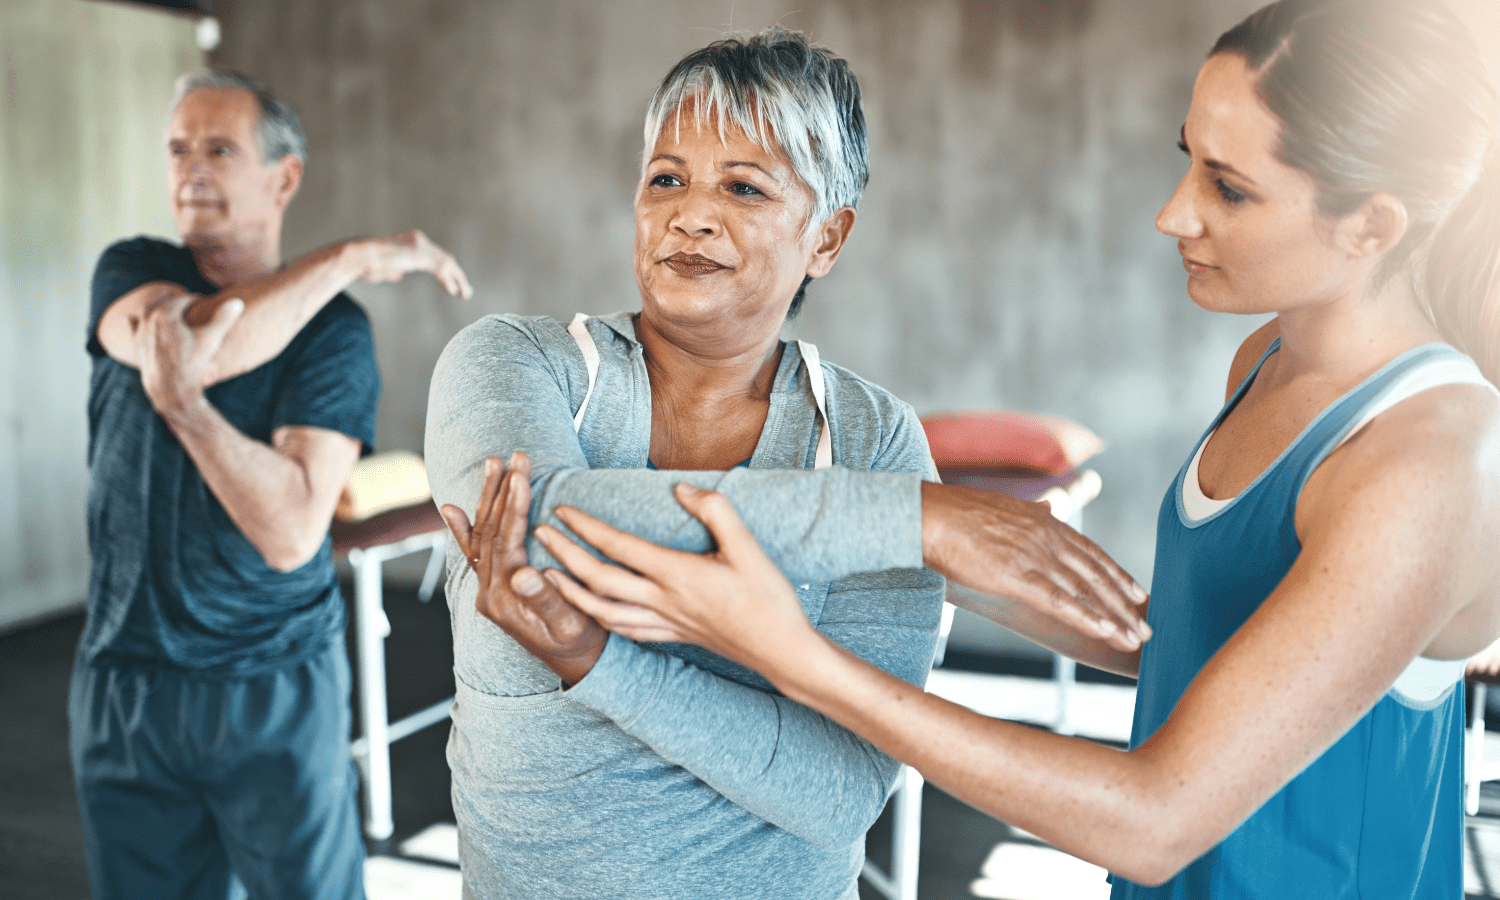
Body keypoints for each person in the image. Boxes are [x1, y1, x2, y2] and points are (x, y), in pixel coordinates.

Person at [515, 0, 1500, 896]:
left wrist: (791, 653)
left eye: (1230, 189)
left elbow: (1155, 820)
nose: (1174, 212)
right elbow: (1224, 652)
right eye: (1187, 155)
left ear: (1372, 225)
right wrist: (933, 549)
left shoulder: (1428, 460)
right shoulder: (1264, 358)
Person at [427, 28, 1145, 900]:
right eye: (666, 179)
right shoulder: (514, 362)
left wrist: (599, 660)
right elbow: (536, 527)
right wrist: (913, 521)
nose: (690, 214)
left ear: (827, 239)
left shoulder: (871, 440)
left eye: (743, 186)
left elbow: (838, 793)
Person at [75, 70, 470, 900]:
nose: (192, 168)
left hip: (268, 685)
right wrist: (356, 255)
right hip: (126, 680)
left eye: (220, 149)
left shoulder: (332, 331)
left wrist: (188, 412)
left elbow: (292, 533)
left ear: (284, 177)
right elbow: (183, 348)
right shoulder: (132, 269)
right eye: (179, 148)